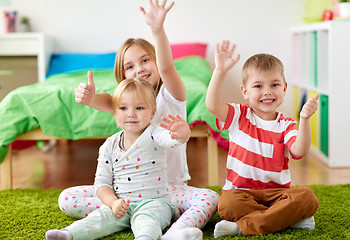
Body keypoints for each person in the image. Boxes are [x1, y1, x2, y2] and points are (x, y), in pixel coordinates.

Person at [58, 1, 219, 240]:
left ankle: (174, 233)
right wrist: (91, 98)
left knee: (210, 198)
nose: (140, 69)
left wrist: (157, 29)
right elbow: (107, 101)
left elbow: (166, 66)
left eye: (145, 60)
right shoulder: (126, 104)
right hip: (126, 194)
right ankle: (123, 212)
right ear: (123, 78)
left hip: (168, 191)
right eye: (130, 66)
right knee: (66, 198)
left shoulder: (172, 96)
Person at [46, 78, 191, 240]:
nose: (131, 113)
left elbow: (170, 139)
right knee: (97, 218)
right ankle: (68, 234)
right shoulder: (109, 145)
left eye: (139, 108)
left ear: (153, 112)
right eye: (123, 108)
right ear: (114, 111)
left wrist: (182, 134)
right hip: (120, 204)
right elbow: (102, 184)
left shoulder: (154, 133)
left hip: (155, 203)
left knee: (148, 222)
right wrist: (113, 203)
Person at [205, 40, 319, 237]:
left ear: (283, 88)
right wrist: (220, 71)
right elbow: (212, 105)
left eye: (274, 85)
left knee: (308, 197)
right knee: (226, 205)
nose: (267, 91)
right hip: (241, 193)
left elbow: (299, 150)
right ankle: (285, 219)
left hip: (278, 195)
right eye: (258, 86)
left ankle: (243, 227)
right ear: (245, 92)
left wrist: (304, 119)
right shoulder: (239, 115)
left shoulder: (287, 123)